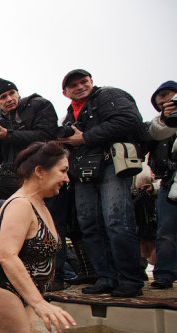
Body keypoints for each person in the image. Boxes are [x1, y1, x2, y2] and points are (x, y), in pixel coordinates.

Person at [0, 142, 76, 333]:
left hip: (26, 289)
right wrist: (39, 303)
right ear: (40, 171)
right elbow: (7, 256)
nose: (67, 178)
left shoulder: (40, 204)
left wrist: (37, 300)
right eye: (63, 171)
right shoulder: (20, 204)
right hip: (2, 285)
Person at [58, 69, 145, 297]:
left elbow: (131, 120)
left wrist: (85, 137)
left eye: (83, 82)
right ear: (65, 92)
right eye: (73, 85)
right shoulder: (69, 115)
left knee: (117, 221)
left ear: (91, 82)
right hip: (82, 172)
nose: (79, 87)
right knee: (89, 226)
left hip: (110, 166)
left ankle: (130, 279)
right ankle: (105, 277)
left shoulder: (109, 96)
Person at [0, 78, 68, 291]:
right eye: (3, 97)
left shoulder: (39, 105)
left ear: (18, 93)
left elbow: (48, 136)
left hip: (43, 176)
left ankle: (56, 276)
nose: (9, 99)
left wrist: (8, 134)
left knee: (51, 226)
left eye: (12, 93)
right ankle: (17, 276)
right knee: (17, 231)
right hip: (11, 180)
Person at [147, 80, 177, 289]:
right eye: (161, 102)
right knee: (166, 230)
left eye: (170, 96)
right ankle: (163, 274)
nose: (166, 102)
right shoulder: (159, 125)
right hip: (168, 181)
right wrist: (166, 119)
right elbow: (152, 139)